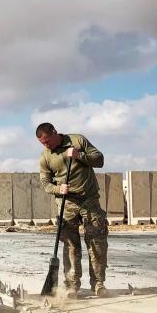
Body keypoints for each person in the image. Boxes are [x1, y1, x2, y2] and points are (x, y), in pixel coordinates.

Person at [36, 122, 109, 298]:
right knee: (71, 246)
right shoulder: (45, 157)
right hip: (66, 204)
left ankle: (98, 284)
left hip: (89, 200)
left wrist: (79, 155)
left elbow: (99, 160)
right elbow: (45, 183)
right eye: (42, 143)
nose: (47, 146)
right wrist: (58, 189)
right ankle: (72, 286)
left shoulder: (77, 141)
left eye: (48, 141)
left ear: (55, 132)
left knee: (97, 243)